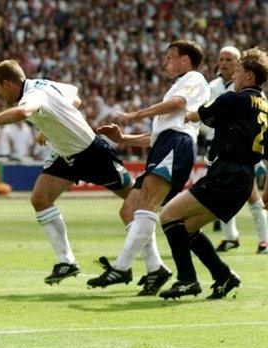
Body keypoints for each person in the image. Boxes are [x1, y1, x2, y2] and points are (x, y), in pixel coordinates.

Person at [0, 60, 133, 285]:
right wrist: (52, 121)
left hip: (91, 152)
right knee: (40, 198)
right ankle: (67, 261)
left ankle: (153, 266)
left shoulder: (32, 95)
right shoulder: (44, 84)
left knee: (136, 201)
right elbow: (75, 97)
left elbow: (23, 111)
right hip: (65, 153)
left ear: (7, 83)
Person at [88, 40, 210, 295]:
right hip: (165, 143)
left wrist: (135, 115)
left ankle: (121, 267)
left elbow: (178, 107)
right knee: (129, 209)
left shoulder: (195, 78)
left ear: (185, 60)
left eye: (170, 57)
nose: (165, 63)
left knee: (147, 204)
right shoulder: (177, 85)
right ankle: (156, 269)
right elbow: (157, 134)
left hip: (176, 144)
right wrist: (124, 139)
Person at [158, 47, 268, 299]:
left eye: (238, 69)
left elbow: (199, 114)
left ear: (249, 76)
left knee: (168, 215)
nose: (234, 74)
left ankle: (187, 279)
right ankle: (223, 275)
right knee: (187, 227)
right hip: (244, 178)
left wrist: (186, 115)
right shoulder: (264, 106)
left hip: (225, 174)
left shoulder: (234, 98)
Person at [206, 46, 268, 254]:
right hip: (217, 146)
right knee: (223, 192)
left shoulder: (251, 92)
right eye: (221, 58)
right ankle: (231, 236)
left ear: (240, 64)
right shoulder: (212, 86)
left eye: (230, 59)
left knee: (251, 195)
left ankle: (264, 239)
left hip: (242, 149)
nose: (224, 62)